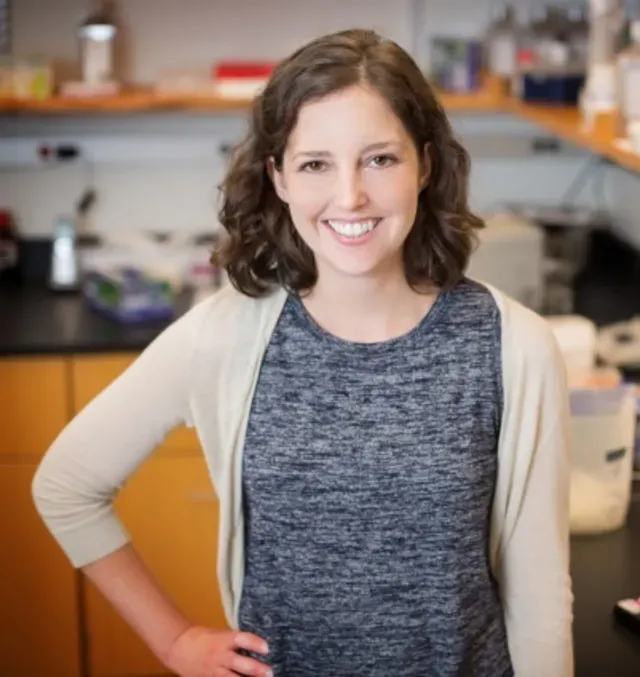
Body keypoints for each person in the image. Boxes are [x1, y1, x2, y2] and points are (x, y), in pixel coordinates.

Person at [32, 29, 573, 677]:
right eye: (316, 163)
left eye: (379, 159)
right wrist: (175, 641)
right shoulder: (225, 335)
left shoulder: (514, 346)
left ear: (425, 166)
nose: (349, 197)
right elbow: (65, 486)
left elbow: (539, 600)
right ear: (278, 177)